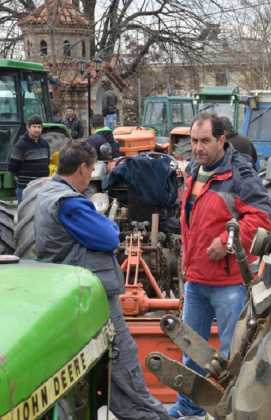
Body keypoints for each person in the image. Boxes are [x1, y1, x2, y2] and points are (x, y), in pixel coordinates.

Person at [33, 141, 171, 420]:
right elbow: (109, 236)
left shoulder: (46, 192)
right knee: (122, 353)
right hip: (91, 291)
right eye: (91, 168)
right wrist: (106, 222)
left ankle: (127, 408)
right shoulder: (69, 202)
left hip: (72, 288)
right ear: (83, 168)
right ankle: (147, 413)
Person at [169, 113, 271, 418]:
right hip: (197, 280)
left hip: (227, 286)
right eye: (194, 141)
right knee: (191, 352)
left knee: (231, 357)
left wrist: (227, 241)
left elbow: (261, 217)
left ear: (221, 140)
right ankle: (188, 409)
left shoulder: (239, 175)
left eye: (205, 141)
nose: (198, 148)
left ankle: (229, 412)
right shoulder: (193, 169)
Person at [8, 115, 50, 202]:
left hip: (41, 186)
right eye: (34, 127)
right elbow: (13, 166)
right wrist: (18, 177)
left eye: (39, 127)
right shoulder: (21, 145)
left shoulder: (45, 144)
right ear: (28, 127)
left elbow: (47, 162)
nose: (37, 129)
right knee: (24, 213)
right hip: (25, 187)